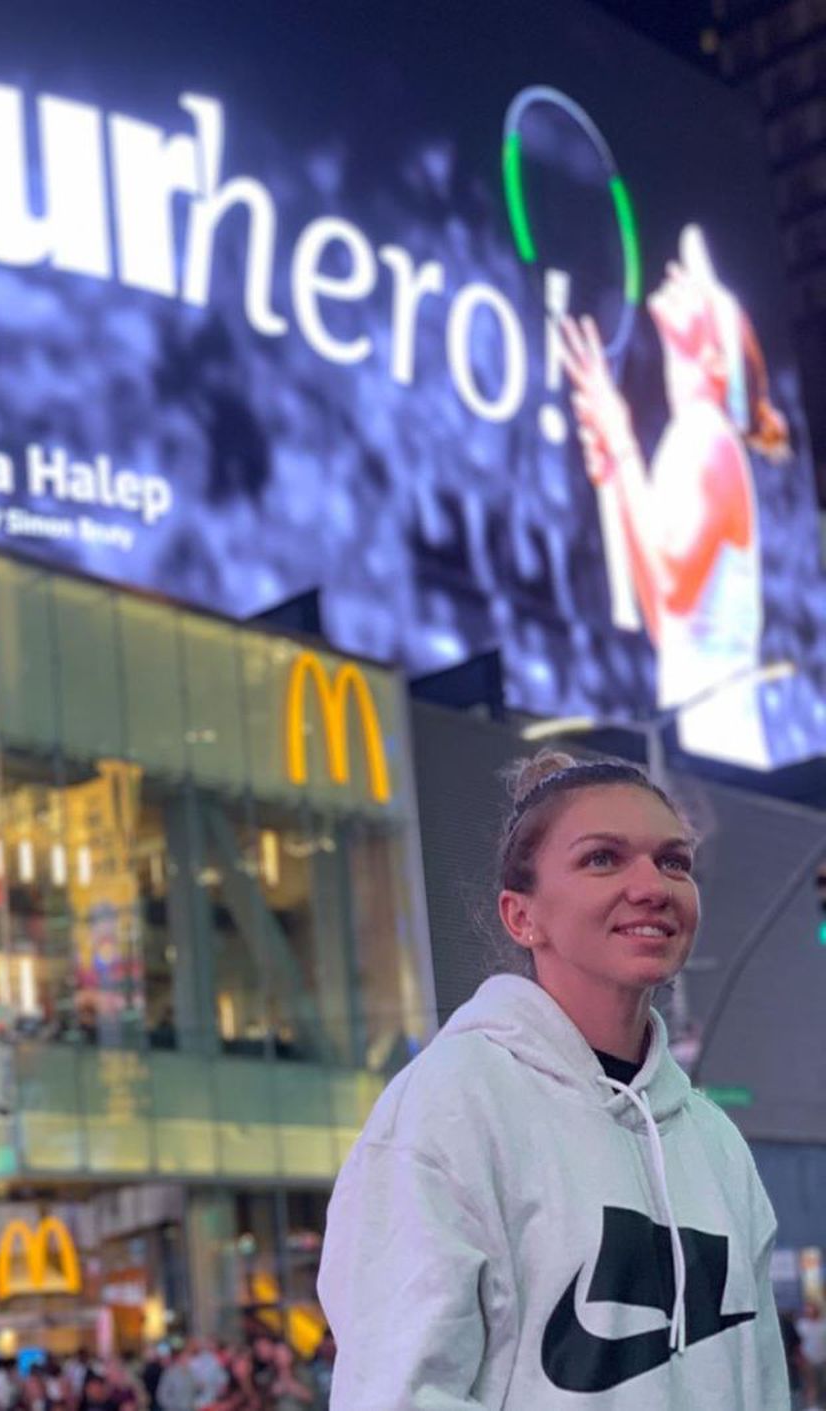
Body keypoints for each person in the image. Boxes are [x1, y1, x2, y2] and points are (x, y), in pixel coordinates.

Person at [319, 750, 789, 1407]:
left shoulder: (713, 1141)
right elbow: (396, 1393)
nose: (652, 884)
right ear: (522, 915)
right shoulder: (448, 1107)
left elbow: (763, 1384)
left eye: (673, 860)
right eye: (603, 857)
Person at [560, 225, 790, 770]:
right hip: (699, 733)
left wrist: (619, 442)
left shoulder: (710, 437)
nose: (682, 278)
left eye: (702, 294)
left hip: (718, 741)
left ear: (715, 361)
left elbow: (669, 585)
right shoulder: (692, 437)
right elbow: (668, 620)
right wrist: (619, 473)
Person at [798, 1302, 826, 1409]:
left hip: (823, 1359)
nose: (809, 1311)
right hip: (807, 1360)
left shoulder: (823, 1325)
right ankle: (811, 1406)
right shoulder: (801, 1325)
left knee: (823, 1384)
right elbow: (798, 1343)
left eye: (811, 1309)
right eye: (807, 1309)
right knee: (810, 1385)